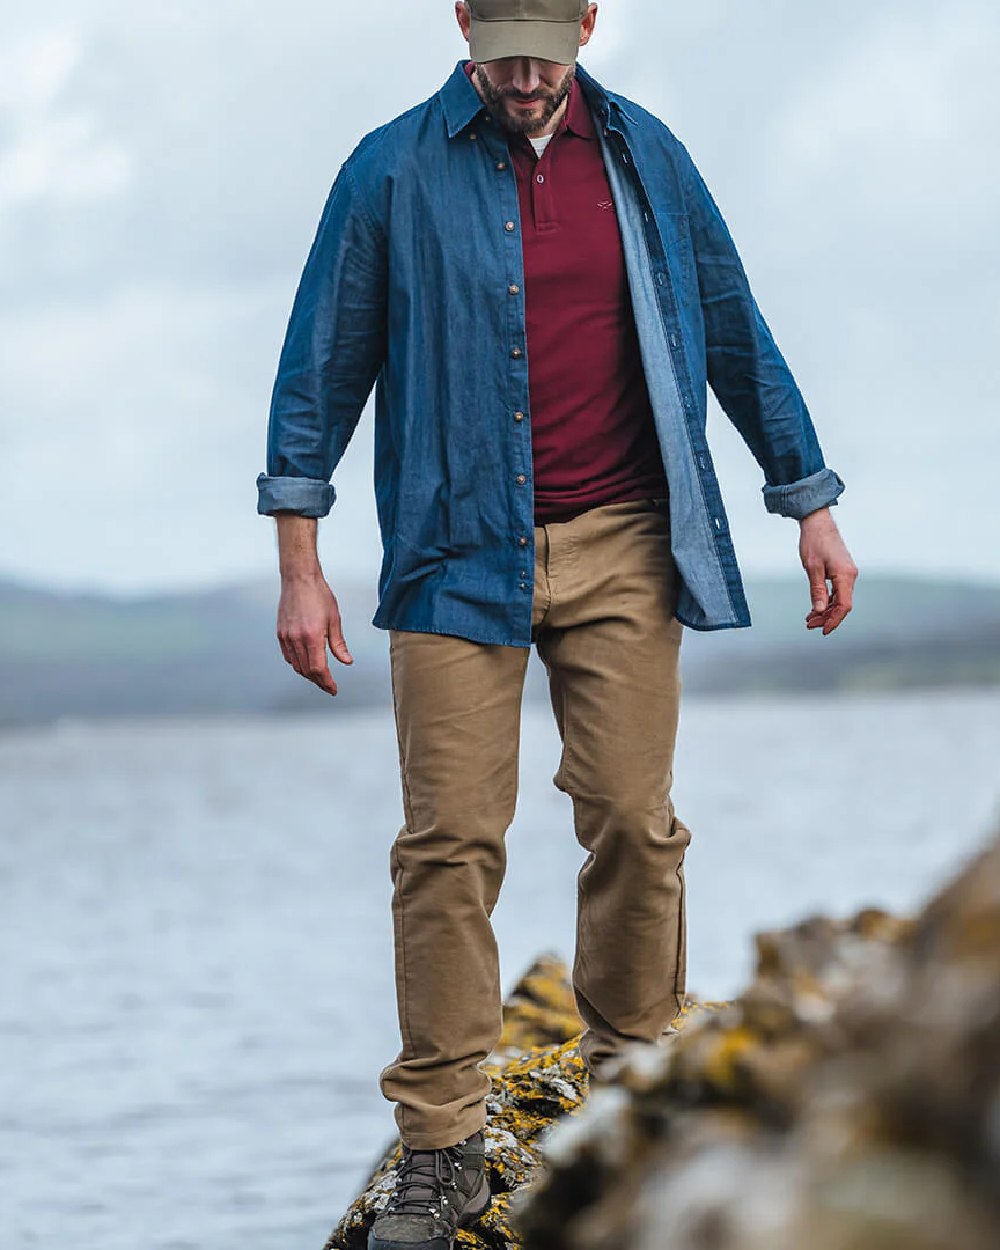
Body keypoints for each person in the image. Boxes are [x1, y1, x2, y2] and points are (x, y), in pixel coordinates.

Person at [256, 2, 859, 1247]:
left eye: (549, 49)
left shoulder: (648, 158)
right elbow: (319, 368)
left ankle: (632, 1081)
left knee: (635, 819)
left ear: (589, 23)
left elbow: (736, 332)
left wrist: (806, 501)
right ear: (463, 24)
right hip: (449, 550)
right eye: (503, 50)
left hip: (627, 540)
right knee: (448, 843)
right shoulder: (389, 169)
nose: (526, 77)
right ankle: (439, 1147)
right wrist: (300, 563)